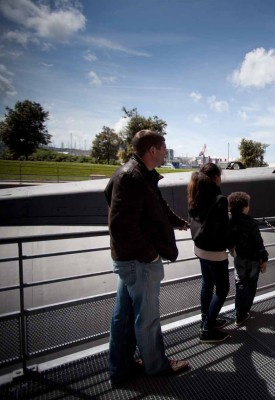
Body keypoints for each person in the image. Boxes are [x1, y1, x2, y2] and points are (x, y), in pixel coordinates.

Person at [104, 129, 190, 385]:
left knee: (124, 317)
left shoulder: (137, 174)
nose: (166, 152)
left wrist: (178, 222)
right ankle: (156, 365)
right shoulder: (132, 176)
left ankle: (120, 369)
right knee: (148, 318)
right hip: (138, 262)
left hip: (129, 260)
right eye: (164, 148)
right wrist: (150, 254)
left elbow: (156, 207)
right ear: (152, 150)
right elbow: (120, 226)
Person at [188, 163, 231, 343]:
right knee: (223, 289)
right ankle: (207, 329)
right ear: (215, 177)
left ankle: (206, 319)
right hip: (215, 253)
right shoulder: (219, 199)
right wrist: (232, 246)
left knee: (207, 284)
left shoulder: (195, 194)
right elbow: (223, 229)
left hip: (200, 249)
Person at [227, 192, 269, 326]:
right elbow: (258, 243)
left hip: (239, 258)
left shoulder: (229, 221)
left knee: (240, 284)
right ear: (245, 207)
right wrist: (264, 258)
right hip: (253, 260)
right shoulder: (251, 223)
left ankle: (239, 313)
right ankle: (245, 311)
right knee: (251, 284)